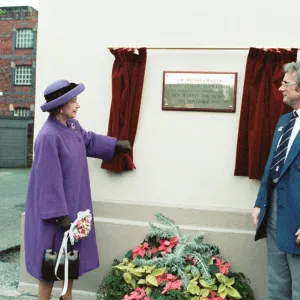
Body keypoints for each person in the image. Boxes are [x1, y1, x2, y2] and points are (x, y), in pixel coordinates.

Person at [24, 79, 131, 300]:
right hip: (54, 213)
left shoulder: (72, 126)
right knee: (49, 260)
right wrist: (59, 214)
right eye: (73, 101)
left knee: (69, 257)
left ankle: (67, 296)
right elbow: (47, 179)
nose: (78, 105)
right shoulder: (48, 136)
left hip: (74, 206)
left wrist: (114, 145)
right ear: (60, 106)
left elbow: (88, 141)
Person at [252, 61, 300, 300]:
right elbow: (272, 167)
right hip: (274, 212)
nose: (280, 88)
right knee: (277, 283)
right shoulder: (284, 122)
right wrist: (260, 203)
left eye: (285, 83)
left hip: (298, 216)